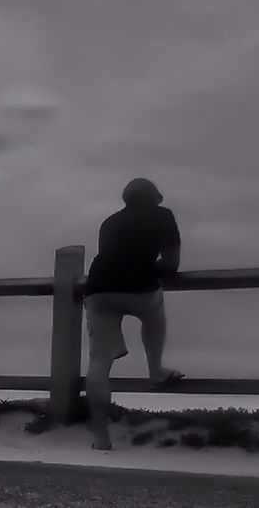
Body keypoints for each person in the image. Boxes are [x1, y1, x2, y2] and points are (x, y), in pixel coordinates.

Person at [82, 177, 184, 451]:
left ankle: (101, 440)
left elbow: (112, 255)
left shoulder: (110, 221)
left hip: (98, 288)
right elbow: (172, 262)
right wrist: (158, 270)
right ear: (156, 197)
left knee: (99, 361)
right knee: (154, 308)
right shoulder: (162, 216)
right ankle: (156, 371)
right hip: (139, 286)